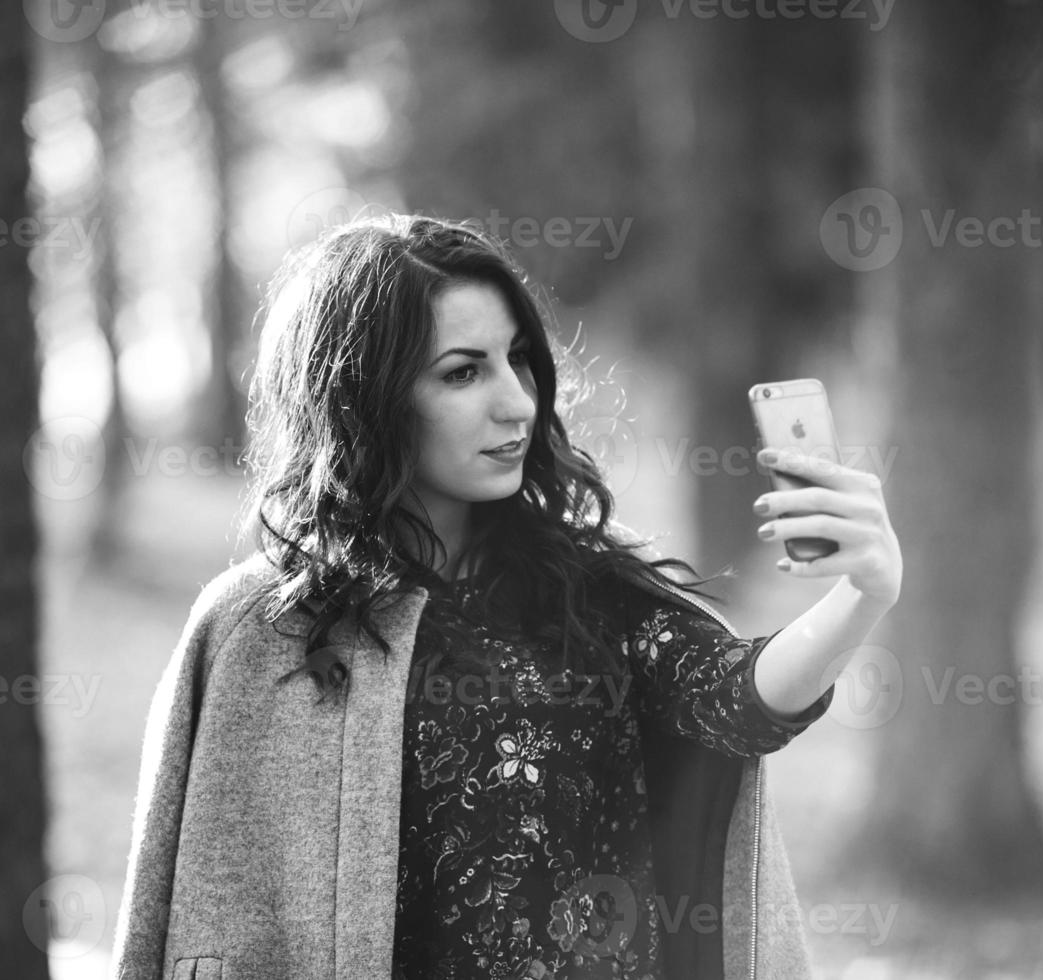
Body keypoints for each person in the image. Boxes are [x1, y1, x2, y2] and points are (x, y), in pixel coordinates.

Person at [109, 213, 902, 980]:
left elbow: (737, 696)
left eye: (517, 360)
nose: (518, 402)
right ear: (366, 397)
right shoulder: (264, 627)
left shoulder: (589, 584)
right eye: (463, 372)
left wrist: (861, 595)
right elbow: (191, 914)